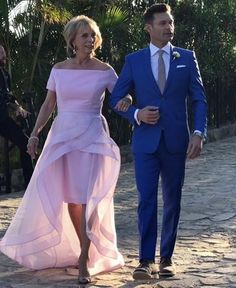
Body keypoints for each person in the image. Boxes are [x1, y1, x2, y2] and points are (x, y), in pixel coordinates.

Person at [0, 15, 131, 284]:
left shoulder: (105, 70)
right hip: (64, 136)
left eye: (93, 35)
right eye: (84, 35)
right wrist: (34, 134)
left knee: (91, 198)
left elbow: (120, 96)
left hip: (93, 136)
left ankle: (84, 255)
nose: (90, 39)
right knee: (73, 198)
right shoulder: (59, 69)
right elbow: (49, 105)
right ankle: (85, 246)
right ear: (72, 40)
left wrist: (128, 99)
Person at [110, 3, 207, 280]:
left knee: (173, 199)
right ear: (149, 28)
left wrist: (199, 133)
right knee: (146, 199)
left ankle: (166, 258)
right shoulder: (134, 60)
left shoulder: (187, 57)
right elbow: (116, 99)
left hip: (177, 141)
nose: (169, 27)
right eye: (163, 23)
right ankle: (144, 260)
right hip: (146, 143)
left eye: (171, 23)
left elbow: (199, 99)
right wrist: (137, 113)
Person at [0, 45, 33, 189]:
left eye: (3, 52)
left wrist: (19, 107)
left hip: (2, 118)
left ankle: (30, 183)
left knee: (25, 142)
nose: (3, 54)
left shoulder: (5, 73)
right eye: (0, 52)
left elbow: (9, 96)